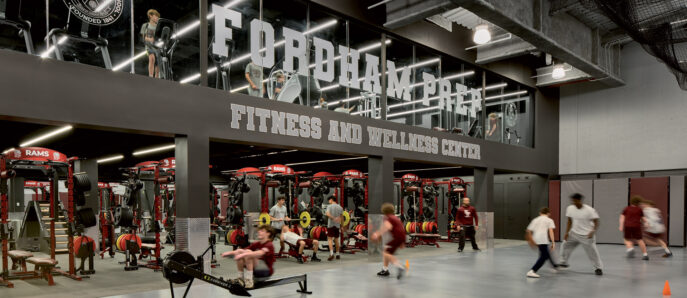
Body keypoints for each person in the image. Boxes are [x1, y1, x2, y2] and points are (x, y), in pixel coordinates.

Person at [559, 193, 603, 275]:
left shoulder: (589, 210)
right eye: (573, 201)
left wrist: (593, 231)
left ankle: (598, 268)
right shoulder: (570, 208)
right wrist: (567, 233)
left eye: (575, 201)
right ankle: (563, 262)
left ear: (580, 200)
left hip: (586, 235)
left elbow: (596, 221)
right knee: (565, 245)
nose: (574, 202)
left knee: (592, 252)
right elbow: (569, 220)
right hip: (574, 233)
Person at [221, 225, 276, 289]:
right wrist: (229, 253)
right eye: (259, 230)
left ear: (268, 233)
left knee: (248, 254)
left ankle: (249, 281)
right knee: (244, 251)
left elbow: (259, 253)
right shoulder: (258, 243)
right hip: (256, 272)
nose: (259, 232)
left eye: (262, 231)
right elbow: (242, 250)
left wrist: (244, 254)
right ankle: (240, 278)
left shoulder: (269, 245)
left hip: (266, 272)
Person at [371, 203, 406, 279]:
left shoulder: (388, 218)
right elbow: (401, 228)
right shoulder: (395, 217)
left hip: (396, 237)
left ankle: (400, 266)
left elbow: (387, 227)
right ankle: (385, 269)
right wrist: (402, 242)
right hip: (400, 237)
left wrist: (377, 234)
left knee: (386, 253)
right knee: (387, 250)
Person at [525, 207, 558, 278]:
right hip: (543, 239)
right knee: (544, 256)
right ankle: (532, 271)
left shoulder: (535, 219)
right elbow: (551, 231)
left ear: (540, 213)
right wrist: (553, 242)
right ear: (548, 213)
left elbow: (528, 231)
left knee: (546, 253)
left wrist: (531, 241)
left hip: (536, 239)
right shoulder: (549, 220)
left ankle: (554, 266)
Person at [620, 195, 649, 260]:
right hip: (636, 226)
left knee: (626, 239)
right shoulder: (639, 209)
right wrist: (647, 224)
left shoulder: (626, 208)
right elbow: (643, 218)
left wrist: (621, 226)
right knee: (639, 240)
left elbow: (622, 218)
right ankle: (645, 254)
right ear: (638, 203)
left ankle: (630, 248)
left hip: (627, 226)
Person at [141, 9, 160, 78]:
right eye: (156, 16)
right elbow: (143, 38)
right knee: (152, 58)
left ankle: (157, 76)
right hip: (149, 46)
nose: (157, 18)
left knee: (158, 62)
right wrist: (149, 39)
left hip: (157, 46)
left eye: (158, 17)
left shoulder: (158, 27)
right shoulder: (145, 25)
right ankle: (151, 75)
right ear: (150, 16)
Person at [325, 196, 343, 261]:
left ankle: (332, 254)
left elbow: (327, 214)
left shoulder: (329, 206)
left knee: (329, 239)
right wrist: (342, 226)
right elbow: (342, 217)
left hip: (331, 225)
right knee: (336, 239)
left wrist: (333, 218)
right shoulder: (340, 207)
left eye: (329, 200)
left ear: (331, 200)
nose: (328, 202)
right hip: (337, 225)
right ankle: (337, 254)